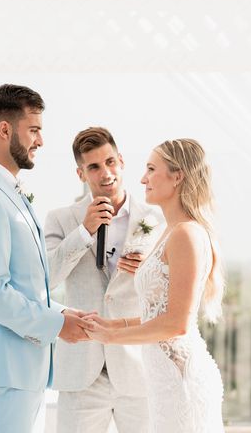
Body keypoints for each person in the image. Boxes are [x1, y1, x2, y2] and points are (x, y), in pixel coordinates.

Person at [0, 84, 93, 433]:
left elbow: (23, 282)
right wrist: (56, 326)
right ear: (4, 130)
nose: (41, 141)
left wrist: (60, 313)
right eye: (34, 130)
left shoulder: (5, 190)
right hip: (0, 375)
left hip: (20, 373)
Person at [84, 138, 225, 433]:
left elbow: (176, 324)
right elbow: (158, 313)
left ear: (177, 176)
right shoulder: (171, 231)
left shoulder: (186, 234)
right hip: (164, 381)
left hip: (180, 379)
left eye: (151, 169)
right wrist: (113, 325)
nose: (142, 179)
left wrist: (113, 339)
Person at [45, 127, 164, 432]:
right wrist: (83, 231)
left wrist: (148, 269)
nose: (105, 173)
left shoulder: (156, 219)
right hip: (82, 370)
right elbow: (47, 277)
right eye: (94, 167)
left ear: (121, 161)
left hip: (137, 366)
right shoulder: (61, 219)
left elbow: (172, 286)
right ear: (80, 173)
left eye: (110, 162)